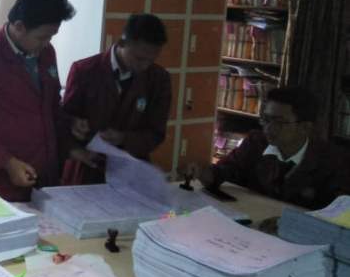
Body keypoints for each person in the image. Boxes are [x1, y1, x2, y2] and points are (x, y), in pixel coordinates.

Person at [0, 0, 94, 202]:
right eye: (42, 37)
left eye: (51, 37)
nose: (47, 43)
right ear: (19, 27)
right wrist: (7, 162)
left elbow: (50, 106)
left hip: (43, 175)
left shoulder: (46, 54)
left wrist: (70, 127)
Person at [61, 13, 172, 184]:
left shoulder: (159, 79)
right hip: (87, 166)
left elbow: (156, 133)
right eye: (139, 58)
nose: (145, 66)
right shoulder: (84, 70)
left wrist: (123, 138)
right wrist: (74, 124)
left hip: (130, 171)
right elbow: (64, 119)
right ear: (121, 43)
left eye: (151, 60)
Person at [198, 86, 350, 209]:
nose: (268, 128)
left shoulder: (334, 161)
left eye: (279, 122)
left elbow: (334, 213)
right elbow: (227, 170)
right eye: (266, 119)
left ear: (305, 127)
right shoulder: (256, 142)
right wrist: (207, 174)